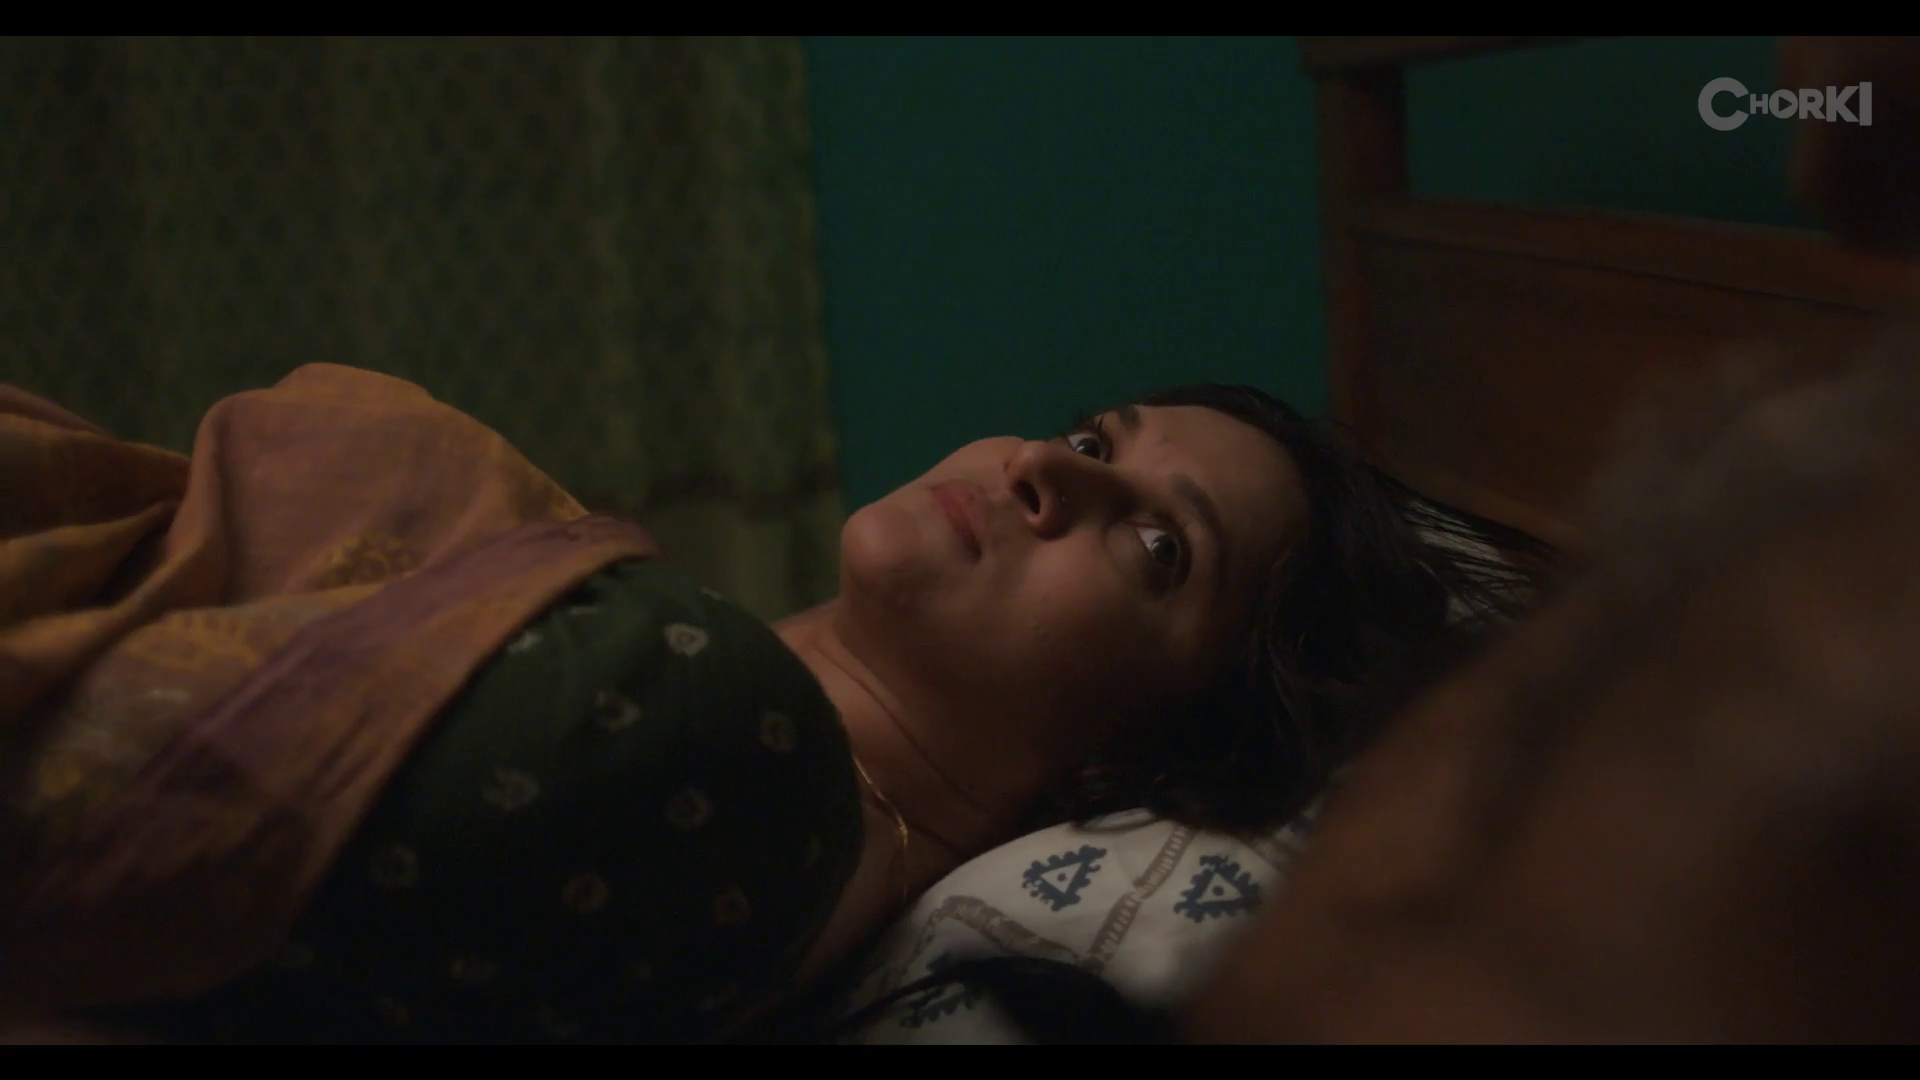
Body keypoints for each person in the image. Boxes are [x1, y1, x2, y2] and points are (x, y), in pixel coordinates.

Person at [0, 368, 1534, 1043]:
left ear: (1145, 751)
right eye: (1091, 436)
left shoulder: (728, 756)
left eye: (1156, 548)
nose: (1043, 469)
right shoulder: (719, 725)